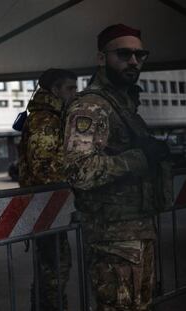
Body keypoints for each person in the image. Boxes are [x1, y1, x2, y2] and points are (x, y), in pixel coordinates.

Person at [63, 24, 171, 310]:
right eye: (124, 54)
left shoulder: (122, 104)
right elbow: (79, 171)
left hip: (136, 234)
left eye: (140, 55)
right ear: (102, 58)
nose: (133, 61)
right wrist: (139, 158)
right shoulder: (91, 106)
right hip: (112, 242)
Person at [18, 68, 77, 310]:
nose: (75, 93)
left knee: (53, 271)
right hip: (46, 208)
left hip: (51, 209)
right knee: (53, 273)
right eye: (70, 88)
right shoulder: (45, 119)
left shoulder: (53, 116)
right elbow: (45, 170)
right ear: (55, 90)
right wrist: (79, 173)